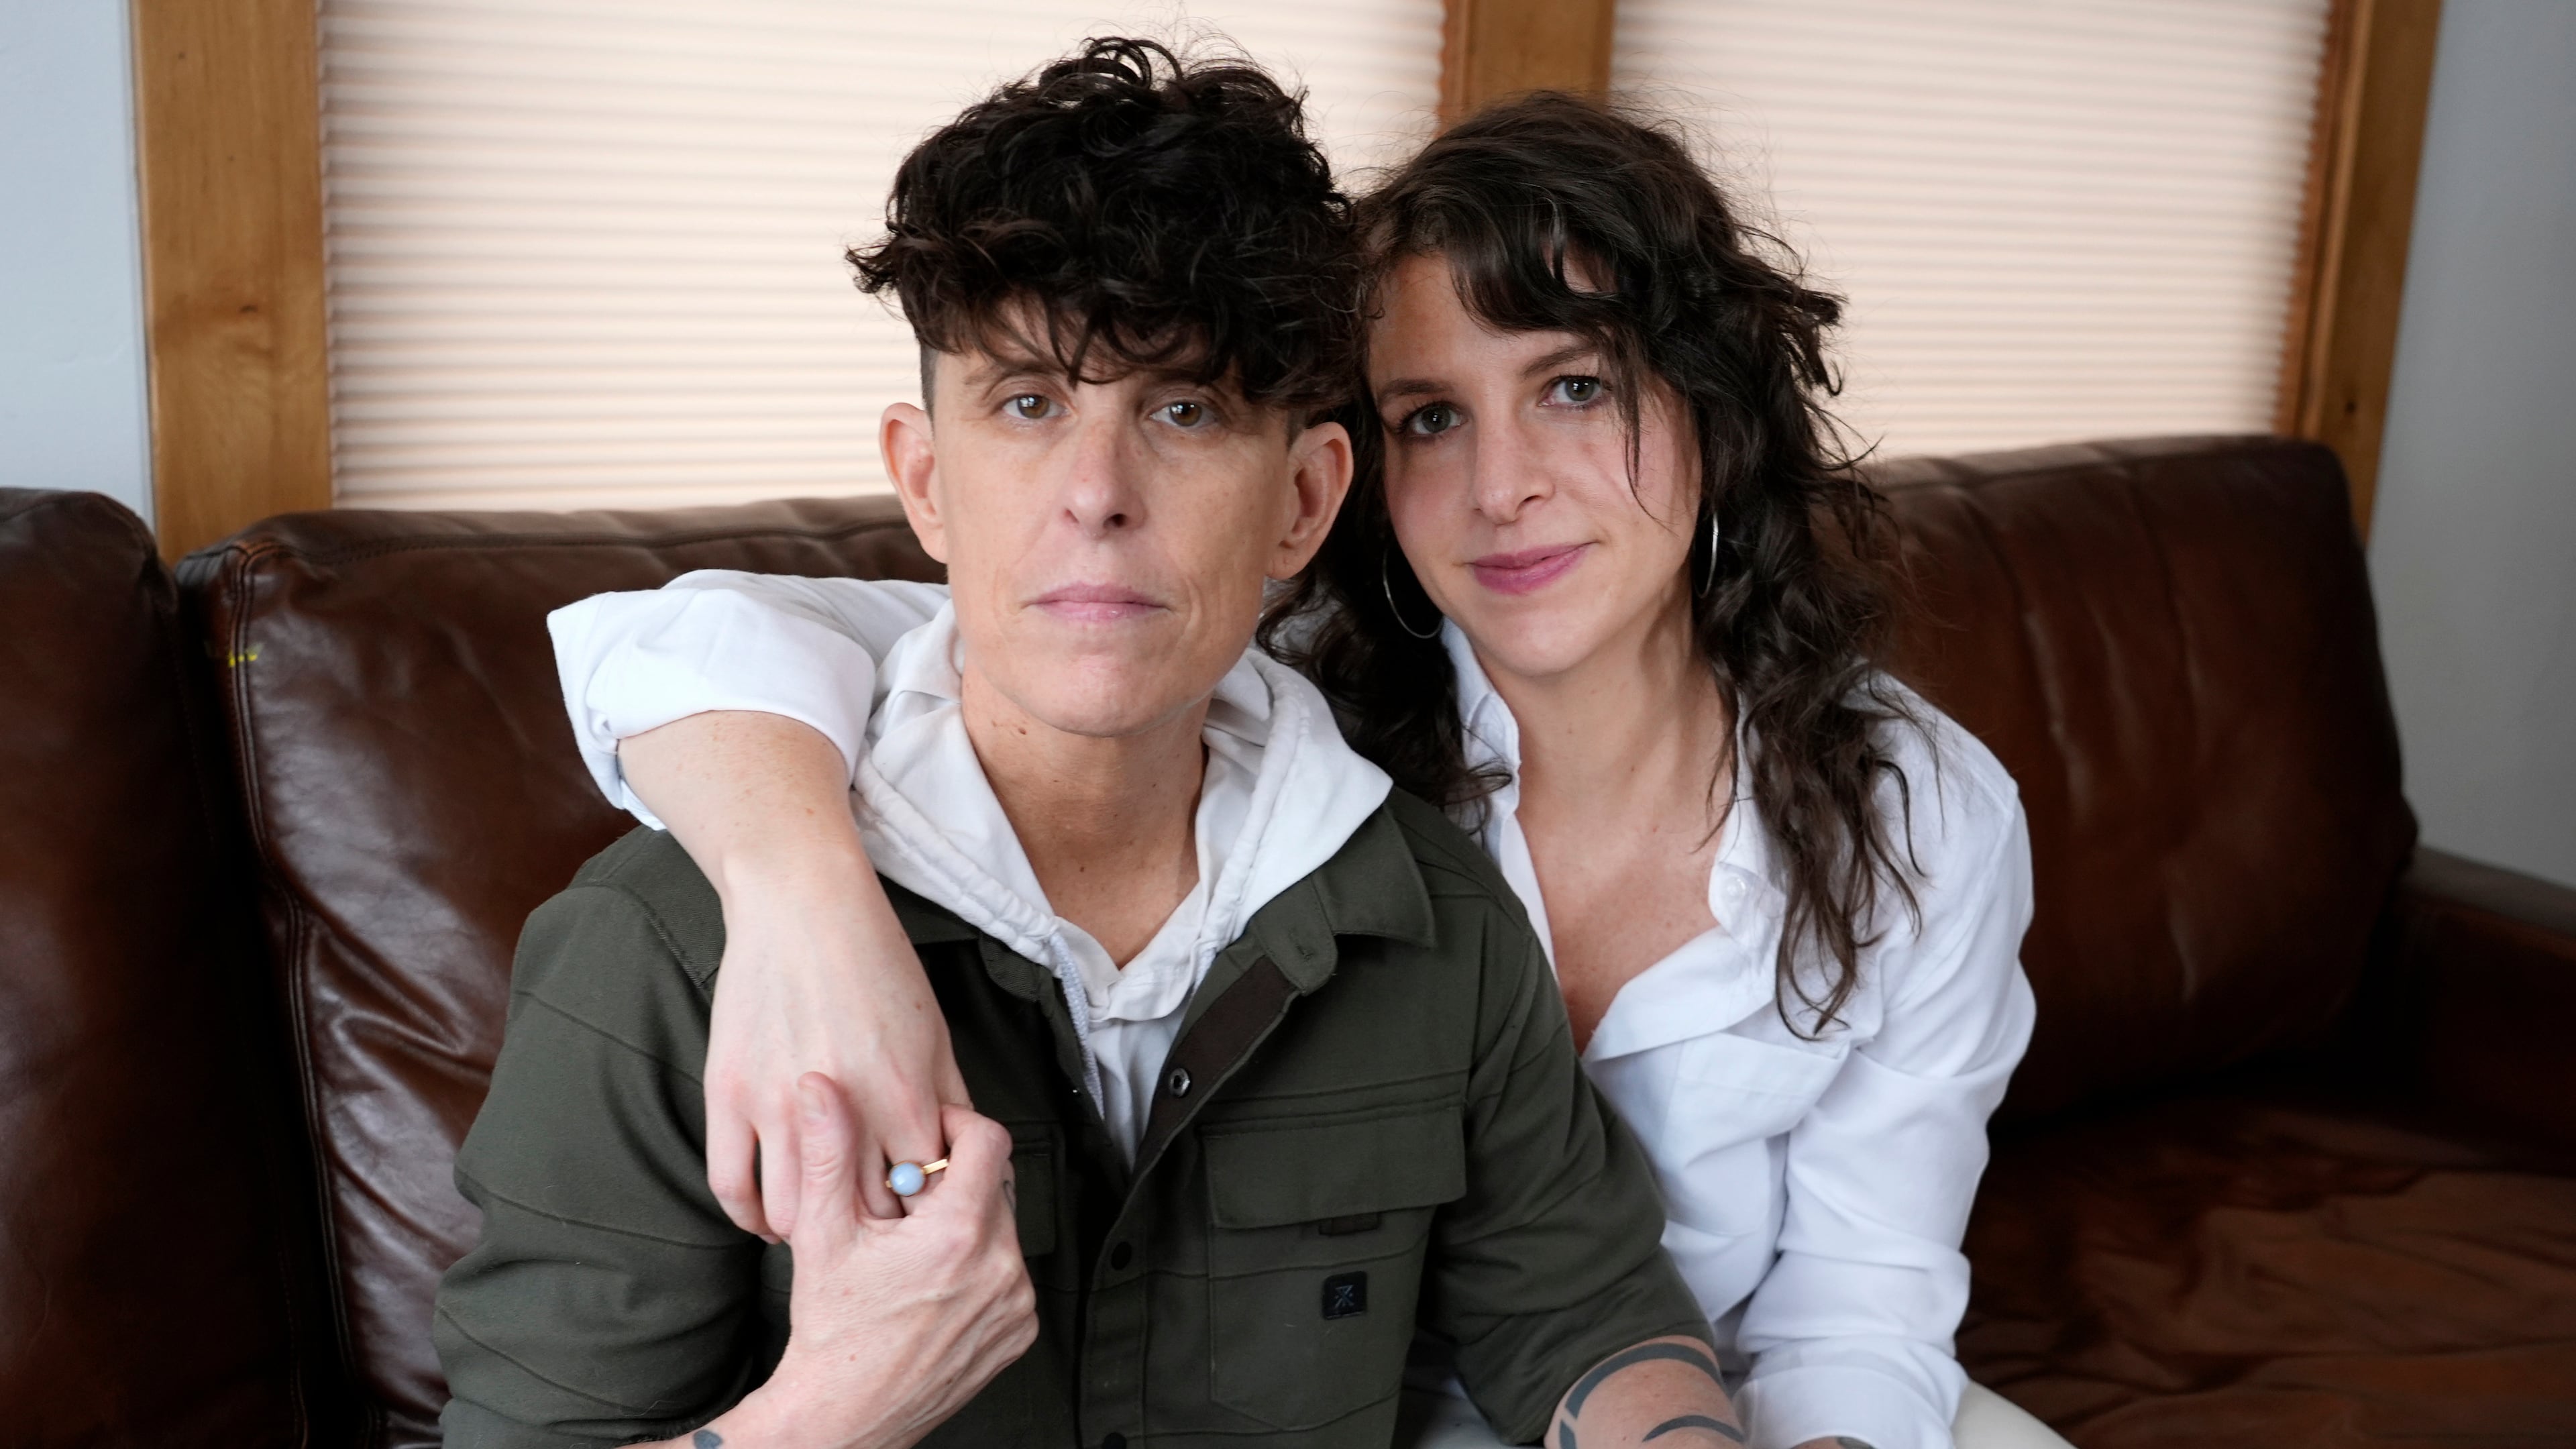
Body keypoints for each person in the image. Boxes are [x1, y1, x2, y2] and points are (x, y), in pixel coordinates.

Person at [556, 87, 2069, 1449]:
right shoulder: (1261, 692)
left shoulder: (1916, 814)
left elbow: (1848, 1307)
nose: (1503, 487)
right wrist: (804, 906)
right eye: (1431, 418)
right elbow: (741, 645)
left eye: (1575, 387)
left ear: (1714, 409)